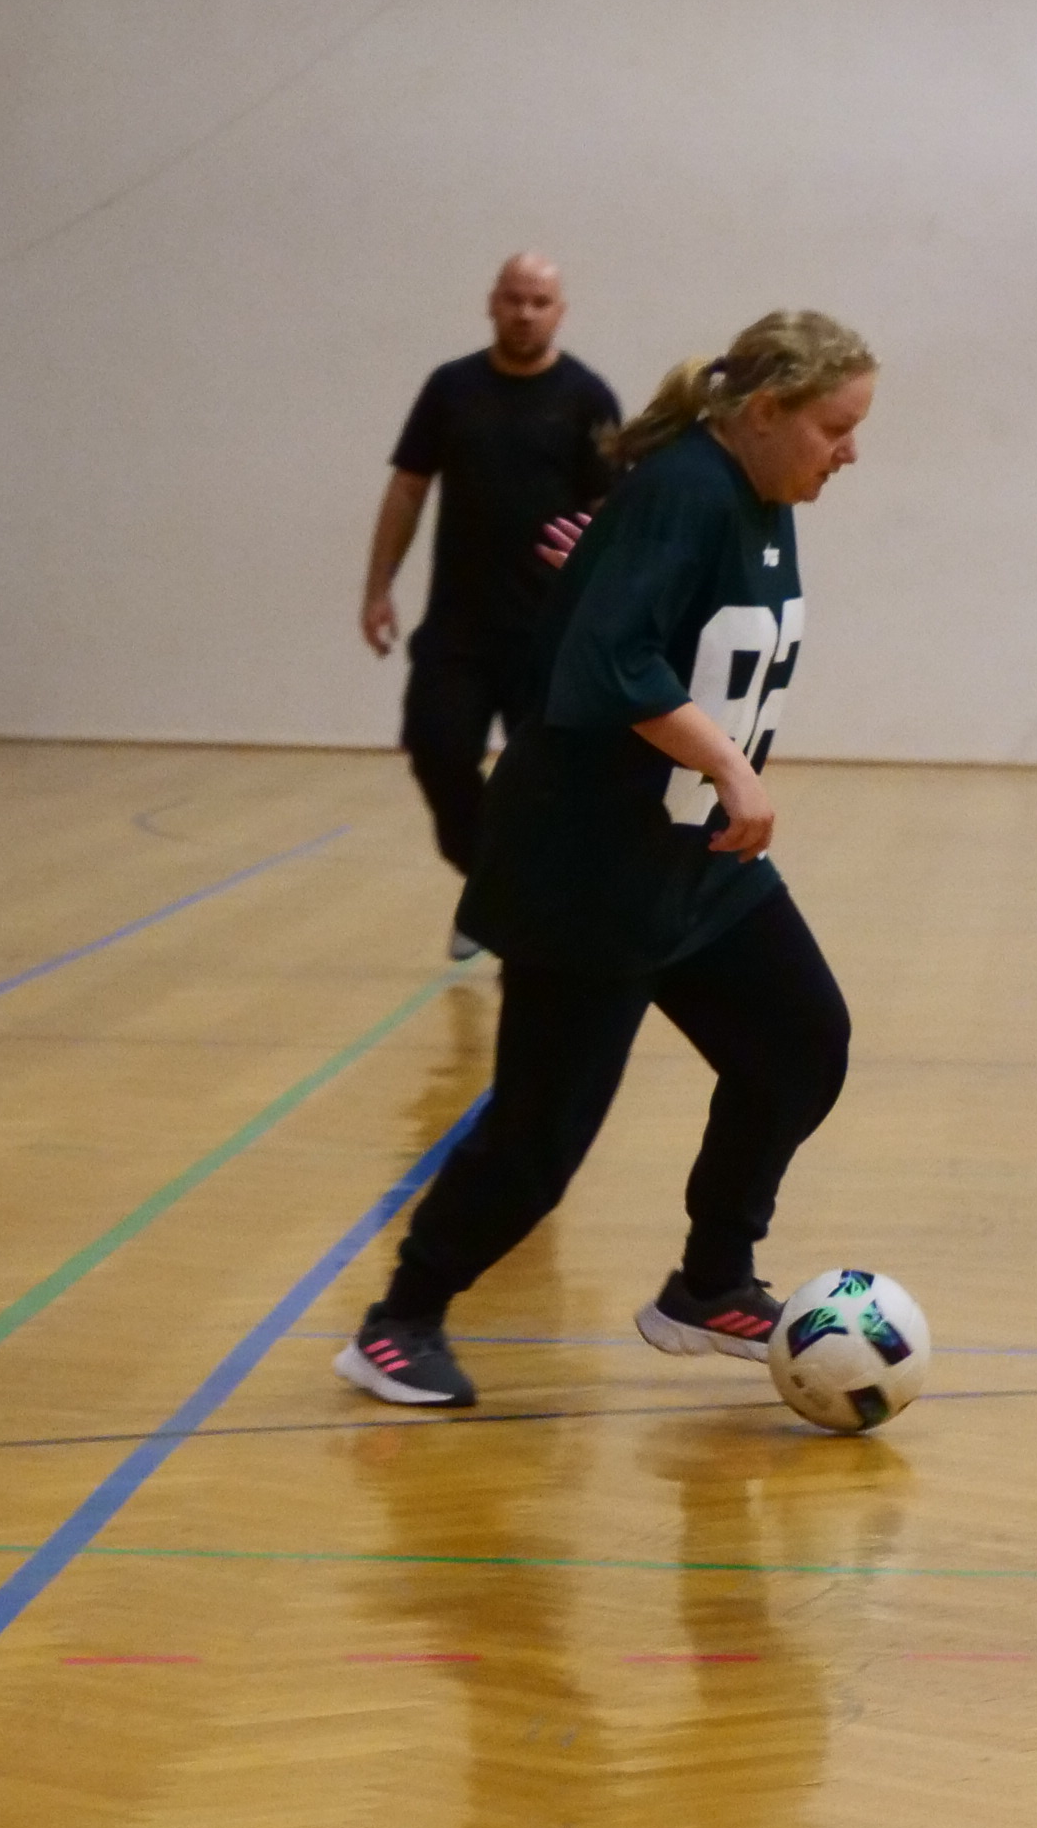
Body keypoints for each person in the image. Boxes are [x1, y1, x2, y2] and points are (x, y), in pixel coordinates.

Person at [335, 311, 876, 1410]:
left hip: (692, 864)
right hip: (586, 870)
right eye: (835, 428)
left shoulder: (758, 494)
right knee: (540, 1143)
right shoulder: (686, 489)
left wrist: (611, 565)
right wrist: (730, 766)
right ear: (764, 411)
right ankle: (400, 1321)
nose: (850, 453)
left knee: (799, 1044)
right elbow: (608, 663)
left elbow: (651, 612)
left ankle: (711, 1282)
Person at [362, 252, 624, 955]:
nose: (525, 313)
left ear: (560, 312)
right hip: (458, 630)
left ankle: (511, 907)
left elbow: (609, 510)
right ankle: (494, 890)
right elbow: (408, 488)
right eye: (514, 299)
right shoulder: (451, 389)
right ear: (492, 302)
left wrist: (610, 610)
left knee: (544, 785)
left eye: (540, 302)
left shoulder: (587, 397)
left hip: (549, 632)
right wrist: (378, 588)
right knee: (436, 750)